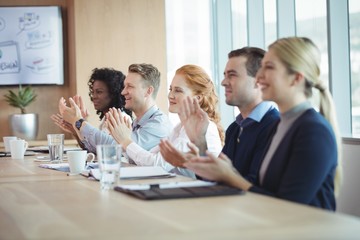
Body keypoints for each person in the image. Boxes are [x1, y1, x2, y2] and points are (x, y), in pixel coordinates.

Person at [181, 37, 342, 211]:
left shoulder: (313, 131)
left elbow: (289, 207)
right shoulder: (279, 126)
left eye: (269, 67)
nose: (259, 76)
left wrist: (229, 175)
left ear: (296, 79)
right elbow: (257, 187)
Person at [160, 47, 279, 183]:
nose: (223, 82)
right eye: (225, 75)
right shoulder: (235, 128)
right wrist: (199, 142)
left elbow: (255, 188)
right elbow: (215, 181)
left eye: (232, 75)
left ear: (259, 80)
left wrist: (190, 163)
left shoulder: (275, 127)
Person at [106, 64, 224, 177]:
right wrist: (124, 139)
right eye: (171, 89)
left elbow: (156, 164)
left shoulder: (201, 127)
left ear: (197, 98)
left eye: (178, 90)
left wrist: (125, 141)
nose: (170, 95)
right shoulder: (179, 128)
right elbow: (150, 157)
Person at [59, 63, 173, 154]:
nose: (123, 92)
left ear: (148, 91)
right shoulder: (137, 123)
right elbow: (102, 150)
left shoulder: (158, 124)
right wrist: (77, 127)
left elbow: (116, 149)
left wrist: (78, 121)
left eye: (130, 86)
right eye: (124, 86)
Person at [51, 68, 131, 148]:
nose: (94, 97)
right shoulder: (105, 120)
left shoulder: (122, 119)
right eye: (93, 92)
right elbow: (93, 149)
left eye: (99, 92)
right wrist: (76, 131)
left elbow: (109, 151)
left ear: (113, 93)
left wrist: (78, 122)